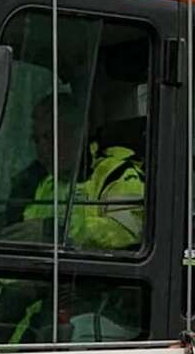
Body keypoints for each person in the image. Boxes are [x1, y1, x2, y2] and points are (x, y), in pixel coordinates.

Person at [16, 92, 146, 252]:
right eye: (36, 140)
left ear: (77, 134)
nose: (42, 149)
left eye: (49, 136)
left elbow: (127, 231)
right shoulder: (47, 184)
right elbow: (30, 236)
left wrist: (56, 232)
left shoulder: (118, 174)